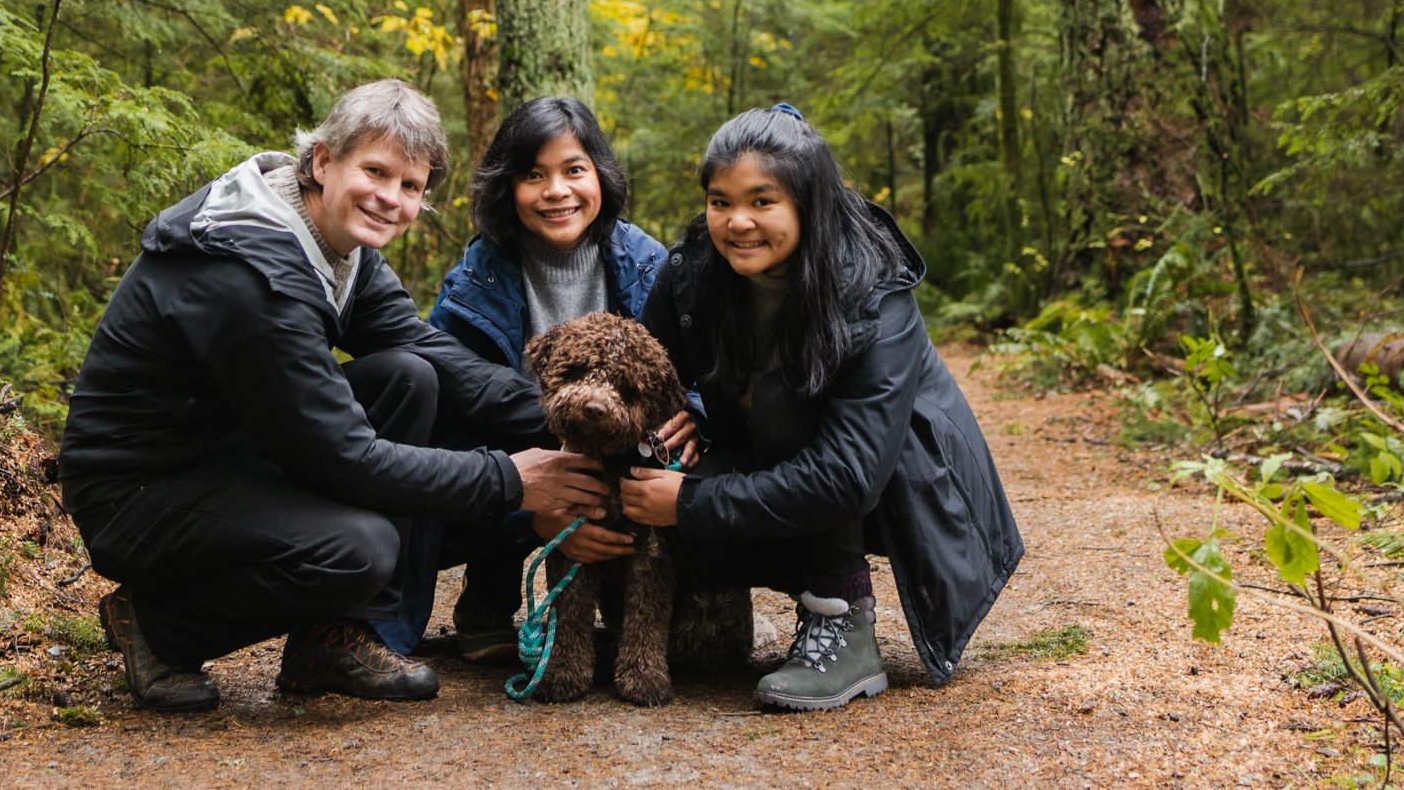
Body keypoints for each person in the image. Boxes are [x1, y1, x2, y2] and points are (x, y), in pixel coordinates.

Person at [58, 80, 609, 712]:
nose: (390, 199)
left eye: (410, 186)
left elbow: (433, 353)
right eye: (374, 172)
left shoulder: (337, 245)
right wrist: (510, 480)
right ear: (322, 161)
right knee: (358, 549)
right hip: (139, 492)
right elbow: (343, 457)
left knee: (409, 374)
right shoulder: (251, 272)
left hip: (225, 450)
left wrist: (570, 419)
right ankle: (160, 626)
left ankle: (334, 636)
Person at [619, 103, 1025, 711]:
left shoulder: (872, 291)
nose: (737, 222)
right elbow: (652, 375)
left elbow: (849, 477)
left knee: (781, 404)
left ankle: (841, 618)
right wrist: (684, 418)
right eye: (720, 201)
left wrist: (693, 503)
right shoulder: (694, 272)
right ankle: (712, 601)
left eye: (763, 201)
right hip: (777, 465)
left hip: (896, 495)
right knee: (649, 478)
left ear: (807, 202)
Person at [419, 95, 681, 661]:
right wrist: (532, 515)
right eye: (532, 175)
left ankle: (626, 596)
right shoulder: (474, 281)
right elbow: (450, 416)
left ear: (601, 178)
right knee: (500, 437)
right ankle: (487, 597)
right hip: (519, 457)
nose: (556, 191)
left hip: (631, 453)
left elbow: (693, 374)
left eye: (573, 170)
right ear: (505, 189)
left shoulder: (650, 265)